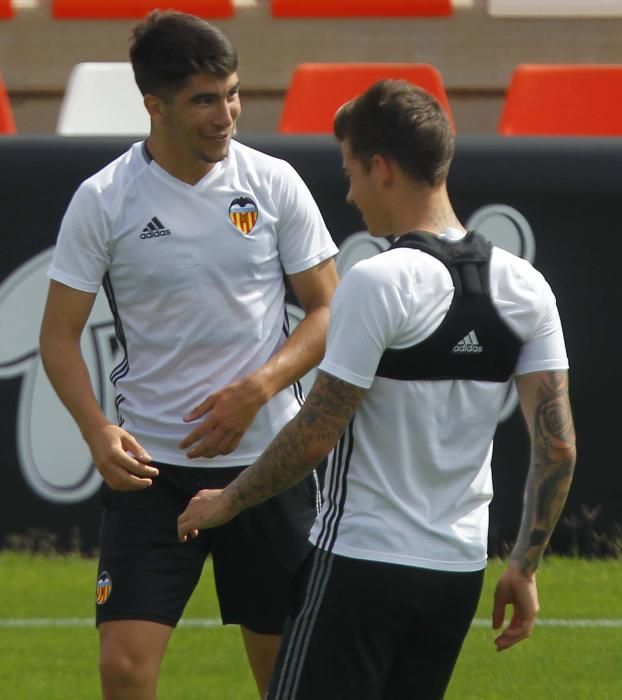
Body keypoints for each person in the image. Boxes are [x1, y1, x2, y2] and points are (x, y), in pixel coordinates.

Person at [177, 79, 577, 699]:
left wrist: (226, 502)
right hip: (457, 573)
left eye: (352, 172)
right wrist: (523, 565)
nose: (349, 192)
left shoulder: (379, 280)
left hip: (361, 565)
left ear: (382, 169)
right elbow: (559, 448)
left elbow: (316, 432)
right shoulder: (526, 286)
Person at [39, 10, 338, 700]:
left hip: (268, 465)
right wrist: (94, 429)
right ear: (155, 105)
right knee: (123, 667)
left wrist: (257, 389)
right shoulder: (104, 199)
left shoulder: (274, 183)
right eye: (205, 99)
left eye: (231, 93)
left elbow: (329, 310)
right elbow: (58, 336)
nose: (225, 114)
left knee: (285, 672)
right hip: (151, 473)